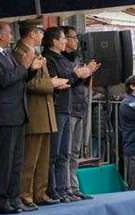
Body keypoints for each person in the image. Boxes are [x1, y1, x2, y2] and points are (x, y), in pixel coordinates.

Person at [0, 21, 39, 214]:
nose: (12, 35)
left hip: (18, 111)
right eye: (8, 32)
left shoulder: (6, 53)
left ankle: (14, 197)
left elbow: (18, 78)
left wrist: (31, 69)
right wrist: (24, 66)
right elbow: (2, 80)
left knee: (17, 159)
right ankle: (1, 199)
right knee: (4, 159)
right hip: (4, 112)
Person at [16, 19, 67, 209]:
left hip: (44, 110)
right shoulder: (20, 52)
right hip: (33, 110)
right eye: (39, 32)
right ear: (31, 34)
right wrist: (51, 84)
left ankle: (40, 192)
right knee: (30, 158)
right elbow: (27, 82)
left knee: (43, 157)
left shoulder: (34, 52)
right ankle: (25, 193)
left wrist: (52, 83)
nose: (42, 36)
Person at [43, 27, 94, 202]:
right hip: (57, 107)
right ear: (54, 41)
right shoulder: (49, 59)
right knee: (55, 152)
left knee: (65, 152)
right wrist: (76, 74)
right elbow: (61, 80)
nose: (65, 41)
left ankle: (65, 188)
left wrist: (83, 74)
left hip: (69, 106)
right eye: (63, 38)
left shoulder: (62, 58)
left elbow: (69, 80)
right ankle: (54, 188)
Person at [63, 25, 97, 200]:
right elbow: (69, 82)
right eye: (73, 37)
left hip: (80, 107)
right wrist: (81, 74)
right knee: (66, 151)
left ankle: (74, 187)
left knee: (75, 151)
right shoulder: (61, 59)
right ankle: (66, 187)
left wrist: (88, 73)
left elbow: (81, 83)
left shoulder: (75, 58)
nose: (76, 41)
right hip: (68, 109)